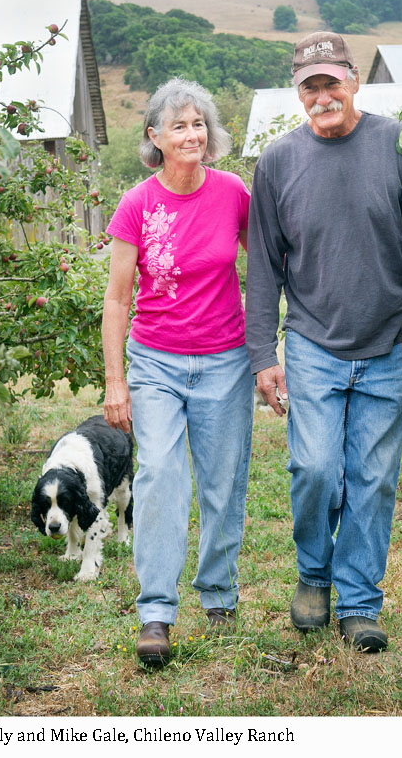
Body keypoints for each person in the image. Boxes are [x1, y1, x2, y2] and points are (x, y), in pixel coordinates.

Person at [245, 32, 402, 653]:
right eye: (311, 85)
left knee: (373, 476)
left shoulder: (399, 144)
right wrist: (261, 355)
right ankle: (313, 573)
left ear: (354, 80)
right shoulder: (278, 162)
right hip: (312, 345)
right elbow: (263, 268)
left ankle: (359, 603)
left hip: (390, 344)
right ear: (299, 93)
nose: (323, 94)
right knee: (314, 468)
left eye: (333, 81)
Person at [102, 78, 254, 666]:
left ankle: (218, 592)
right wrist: (117, 380)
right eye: (180, 125)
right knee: (162, 474)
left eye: (199, 124)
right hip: (157, 360)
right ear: (154, 136)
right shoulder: (137, 204)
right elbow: (118, 300)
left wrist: (265, 354)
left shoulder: (234, 192)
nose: (193, 134)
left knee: (222, 482)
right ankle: (156, 613)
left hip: (224, 359)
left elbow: (262, 268)